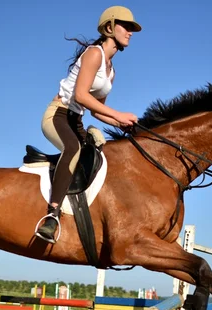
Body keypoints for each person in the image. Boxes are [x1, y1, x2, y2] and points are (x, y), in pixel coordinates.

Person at [34, 6, 142, 244]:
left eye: (132, 28)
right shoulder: (94, 53)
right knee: (73, 149)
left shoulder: (111, 71)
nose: (131, 32)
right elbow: (82, 96)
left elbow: (94, 110)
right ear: (110, 27)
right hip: (58, 115)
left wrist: (120, 123)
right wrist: (118, 113)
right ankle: (52, 215)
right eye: (127, 26)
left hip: (77, 120)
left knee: (99, 156)